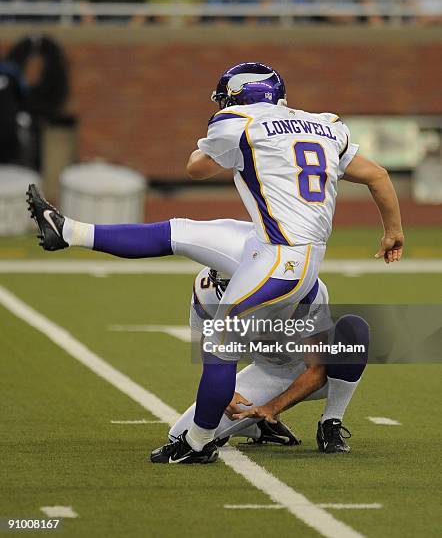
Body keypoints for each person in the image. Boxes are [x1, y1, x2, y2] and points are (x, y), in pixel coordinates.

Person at [27, 62, 404, 464]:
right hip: (271, 245)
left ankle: (200, 443)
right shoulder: (326, 125)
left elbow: (196, 168)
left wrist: (214, 142)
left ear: (241, 95)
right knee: (181, 232)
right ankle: (68, 231)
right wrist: (393, 231)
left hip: (282, 259)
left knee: (221, 344)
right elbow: (378, 175)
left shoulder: (239, 122)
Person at [164, 263, 369, 457]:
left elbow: (316, 369)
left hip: (319, 374)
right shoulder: (205, 289)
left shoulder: (303, 288)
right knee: (181, 435)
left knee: (354, 329)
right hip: (267, 371)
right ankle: (260, 428)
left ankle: (330, 424)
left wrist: (272, 407)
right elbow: (210, 341)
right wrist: (223, 390)